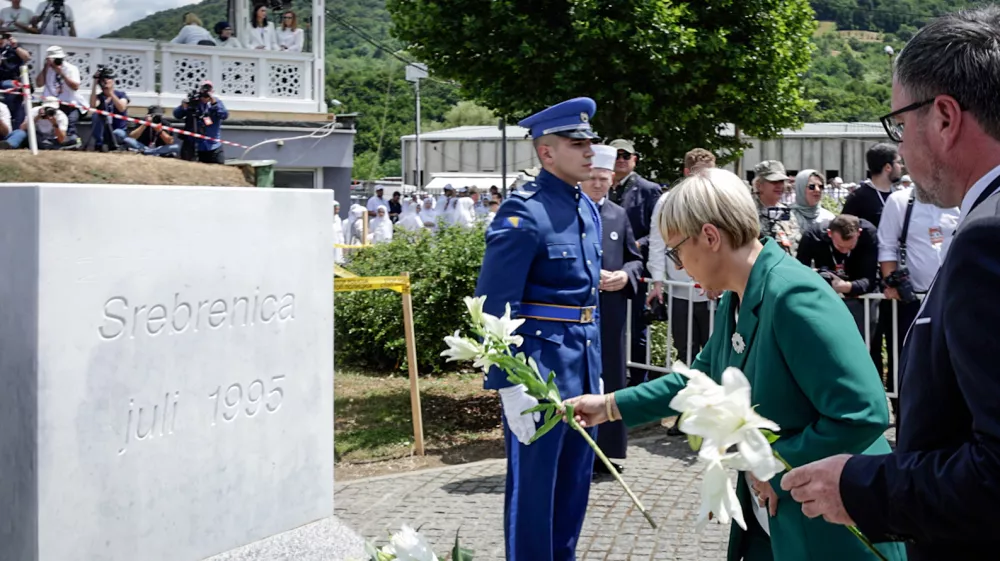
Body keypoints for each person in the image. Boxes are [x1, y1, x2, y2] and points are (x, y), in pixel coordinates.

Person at [566, 167, 905, 561]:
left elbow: (863, 413)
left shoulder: (793, 296)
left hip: (833, 522)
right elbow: (700, 382)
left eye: (676, 251)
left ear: (710, 237)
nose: (677, 266)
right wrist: (609, 406)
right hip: (783, 519)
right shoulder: (737, 295)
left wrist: (776, 469)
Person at [781, 9, 1000, 560]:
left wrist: (858, 486)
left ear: (945, 117)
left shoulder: (987, 237)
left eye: (900, 124)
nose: (899, 148)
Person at [475, 97, 602, 561]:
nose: (590, 151)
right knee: (534, 493)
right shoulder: (522, 212)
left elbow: (586, 305)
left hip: (581, 370)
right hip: (538, 373)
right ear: (546, 152)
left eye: (591, 141)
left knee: (573, 485)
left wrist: (597, 372)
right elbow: (491, 307)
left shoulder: (586, 208)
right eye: (577, 143)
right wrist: (509, 387)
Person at [581, 143, 643, 472]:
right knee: (583, 382)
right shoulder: (571, 213)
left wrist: (625, 275)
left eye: (603, 179)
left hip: (612, 313)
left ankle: (607, 453)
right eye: (592, 177)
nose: (597, 184)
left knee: (613, 379)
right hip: (579, 313)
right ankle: (580, 454)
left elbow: (636, 259)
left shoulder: (618, 215)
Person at [876, 184, 958, 417]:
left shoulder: (956, 199)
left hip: (950, 298)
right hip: (911, 302)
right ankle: (906, 423)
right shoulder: (899, 201)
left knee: (950, 365)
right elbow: (887, 247)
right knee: (909, 367)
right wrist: (891, 282)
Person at [607, 138, 661, 387]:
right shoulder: (601, 185)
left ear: (634, 159)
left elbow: (658, 230)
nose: (620, 159)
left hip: (636, 269)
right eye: (616, 154)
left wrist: (637, 245)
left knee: (637, 328)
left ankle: (639, 382)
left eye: (625, 155)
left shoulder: (648, 189)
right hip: (607, 269)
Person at [796, 214, 880, 338]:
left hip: (862, 298)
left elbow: (872, 278)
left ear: (859, 233)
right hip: (825, 300)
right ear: (830, 234)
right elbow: (800, 271)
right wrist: (814, 277)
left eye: (850, 246)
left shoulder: (869, 234)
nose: (845, 251)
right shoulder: (813, 235)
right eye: (840, 247)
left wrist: (845, 287)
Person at [35, 45, 85, 142]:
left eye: (59, 59)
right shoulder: (47, 69)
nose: (58, 62)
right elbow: (39, 84)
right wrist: (46, 67)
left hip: (69, 103)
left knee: (69, 124)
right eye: (55, 59)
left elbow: (75, 86)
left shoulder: (71, 68)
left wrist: (62, 73)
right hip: (50, 103)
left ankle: (72, 141)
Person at [173, 80, 228, 164]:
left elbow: (224, 115)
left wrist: (214, 104)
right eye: (204, 90)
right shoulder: (194, 101)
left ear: (212, 92)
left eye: (208, 91)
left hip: (213, 145)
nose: (205, 96)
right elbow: (177, 114)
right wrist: (183, 106)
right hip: (196, 146)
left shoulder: (216, 102)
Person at [752, 160, 799, 254]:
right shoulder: (749, 212)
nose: (779, 186)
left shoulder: (786, 212)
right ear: (759, 185)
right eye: (774, 181)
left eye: (781, 181)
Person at [1, 96, 73, 149]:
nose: (48, 111)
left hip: (52, 140)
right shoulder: (34, 111)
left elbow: (61, 139)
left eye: (51, 109)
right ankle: (8, 145)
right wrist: (36, 118)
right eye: (46, 108)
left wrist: (54, 124)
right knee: (20, 133)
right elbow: (22, 128)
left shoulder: (61, 116)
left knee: (51, 145)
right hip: (35, 137)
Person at [789, 170, 836, 248]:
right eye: (812, 186)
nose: (817, 190)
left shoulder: (829, 217)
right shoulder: (788, 216)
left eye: (821, 186)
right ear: (801, 188)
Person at [88, 67, 128, 151]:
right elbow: (92, 105)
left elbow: (121, 108)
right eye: (103, 79)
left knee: (117, 133)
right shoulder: (100, 97)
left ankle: (114, 145)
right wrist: (95, 82)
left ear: (113, 81)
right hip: (104, 132)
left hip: (118, 131)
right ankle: (99, 144)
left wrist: (111, 93)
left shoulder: (121, 95)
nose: (105, 81)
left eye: (108, 78)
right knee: (95, 114)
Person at [332, 200, 345, 264]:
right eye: (335, 208)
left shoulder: (338, 219)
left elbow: (340, 232)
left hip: (337, 242)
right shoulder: (326, 218)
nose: (337, 210)